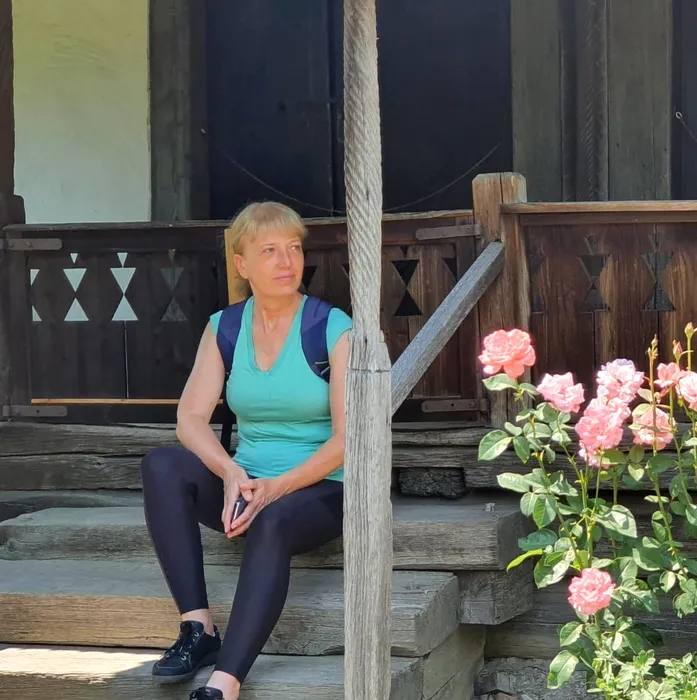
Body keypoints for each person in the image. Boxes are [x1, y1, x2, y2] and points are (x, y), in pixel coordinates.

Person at [140, 201, 352, 700]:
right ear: (242, 264)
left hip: (322, 488)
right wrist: (231, 472)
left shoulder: (331, 328)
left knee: (273, 519)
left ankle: (226, 681)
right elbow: (190, 419)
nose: (287, 261)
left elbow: (348, 441)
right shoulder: (225, 327)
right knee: (162, 465)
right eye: (270, 251)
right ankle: (198, 628)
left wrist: (275, 489)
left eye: (294, 248)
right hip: (247, 484)